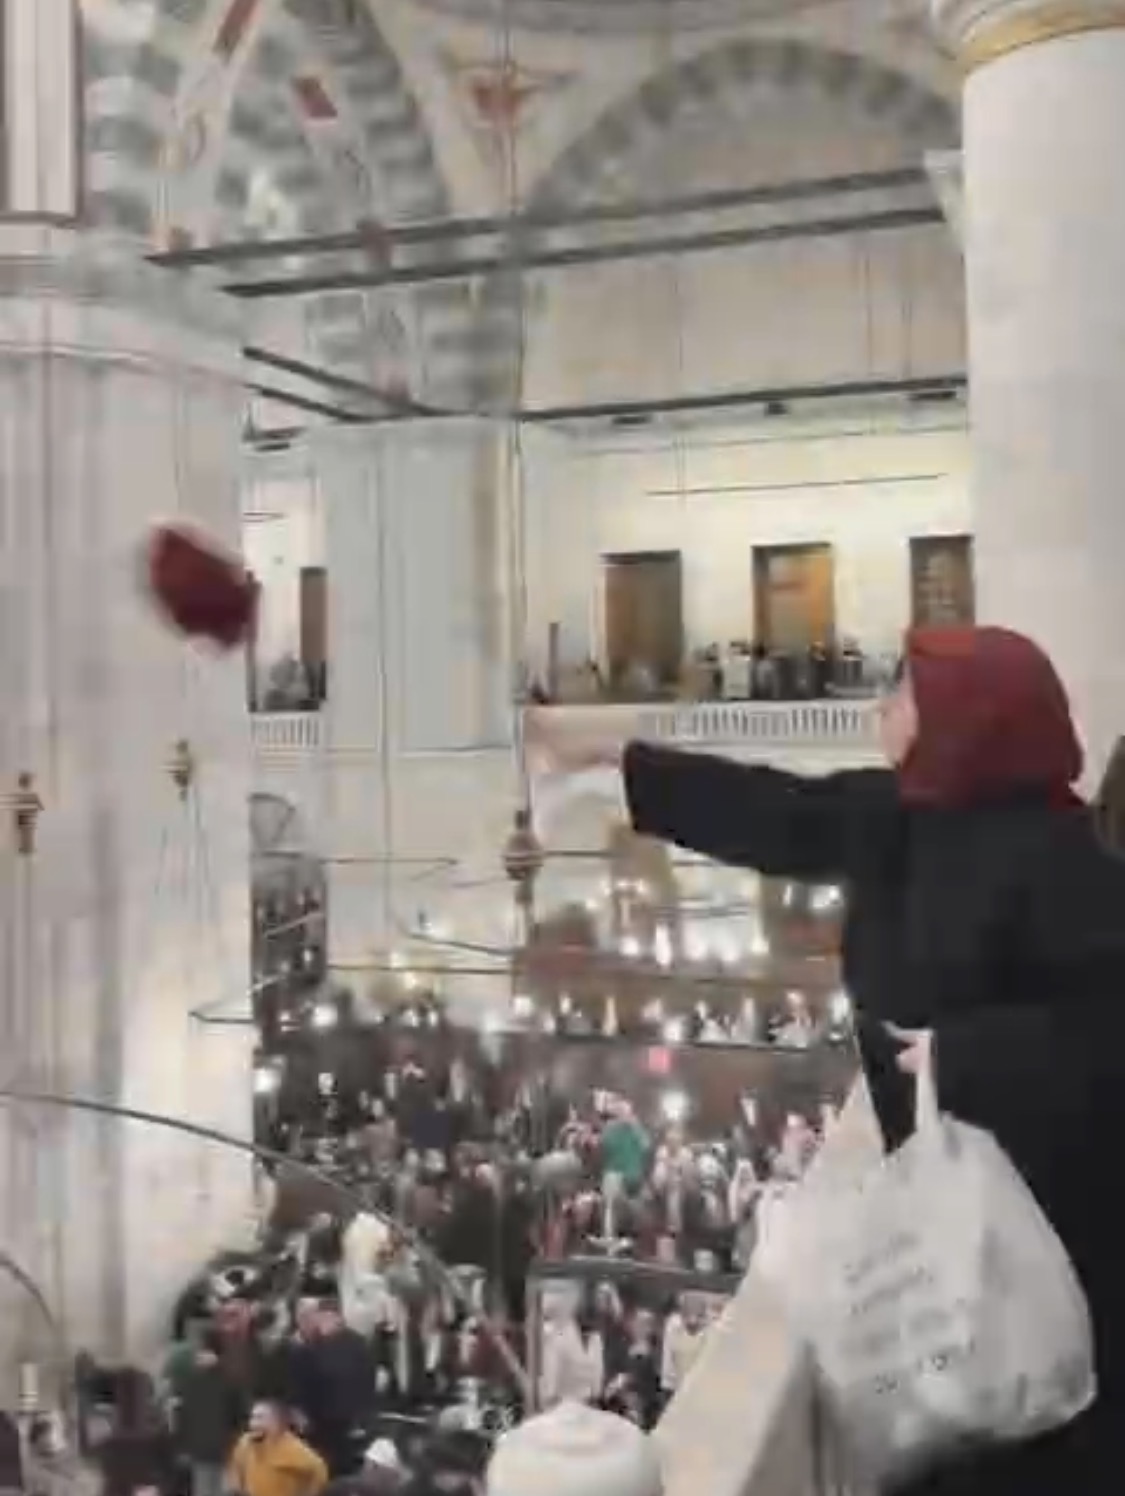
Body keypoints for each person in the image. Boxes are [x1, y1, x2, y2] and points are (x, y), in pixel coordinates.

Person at [531, 623, 1125, 1496]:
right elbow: (773, 812)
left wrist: (961, 1055)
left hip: (1059, 1220)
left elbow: (1104, 1031)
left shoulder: (1072, 860)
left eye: (906, 691)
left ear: (966, 718)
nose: (882, 706)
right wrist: (617, 764)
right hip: (940, 1219)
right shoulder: (895, 817)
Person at [227, 1401, 327, 1496]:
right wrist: (237, 1489)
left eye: (260, 1418)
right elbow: (236, 1467)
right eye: (252, 1418)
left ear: (276, 1422)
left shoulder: (293, 1449)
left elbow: (319, 1471)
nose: (253, 1424)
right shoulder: (245, 1442)